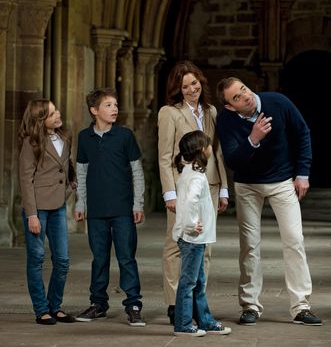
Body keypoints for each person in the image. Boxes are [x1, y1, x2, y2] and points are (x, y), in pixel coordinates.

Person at [215, 77, 322, 326]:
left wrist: (303, 173)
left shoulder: (278, 102)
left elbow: (302, 133)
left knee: (294, 240)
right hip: (247, 185)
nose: (245, 96)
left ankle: (301, 306)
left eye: (244, 89)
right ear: (231, 106)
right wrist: (253, 138)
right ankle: (250, 305)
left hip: (282, 180)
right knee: (249, 245)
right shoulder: (226, 119)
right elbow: (232, 160)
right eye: (237, 97)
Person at [158, 60, 229, 325]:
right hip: (183, 186)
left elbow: (217, 150)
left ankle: (197, 302)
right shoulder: (169, 112)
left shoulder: (211, 111)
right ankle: (175, 303)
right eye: (185, 86)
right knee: (176, 244)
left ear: (201, 81)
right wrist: (169, 193)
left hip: (209, 185)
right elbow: (165, 156)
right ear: (177, 88)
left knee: (204, 245)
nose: (191, 89)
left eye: (194, 83)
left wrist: (223, 186)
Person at [74, 88, 146, 327]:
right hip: (96, 210)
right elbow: (81, 173)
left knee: (127, 258)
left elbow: (137, 171)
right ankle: (98, 304)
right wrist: (80, 202)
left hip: (123, 209)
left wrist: (138, 203)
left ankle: (133, 304)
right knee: (99, 259)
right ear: (94, 111)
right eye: (108, 105)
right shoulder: (84, 137)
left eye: (115, 104)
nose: (114, 108)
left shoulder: (125, 136)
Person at [18, 99, 76, 325]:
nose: (58, 114)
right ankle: (41, 309)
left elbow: (66, 166)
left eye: (56, 109)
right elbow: (26, 179)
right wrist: (31, 214)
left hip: (58, 206)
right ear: (41, 120)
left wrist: (72, 184)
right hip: (38, 209)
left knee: (62, 260)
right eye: (52, 113)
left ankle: (55, 306)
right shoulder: (30, 143)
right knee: (37, 258)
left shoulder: (65, 137)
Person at [172, 130, 232, 337]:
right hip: (192, 238)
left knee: (197, 282)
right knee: (189, 282)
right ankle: (183, 324)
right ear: (200, 150)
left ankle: (205, 320)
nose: (210, 148)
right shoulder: (196, 177)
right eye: (207, 145)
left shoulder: (189, 172)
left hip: (194, 238)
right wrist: (190, 225)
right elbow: (189, 203)